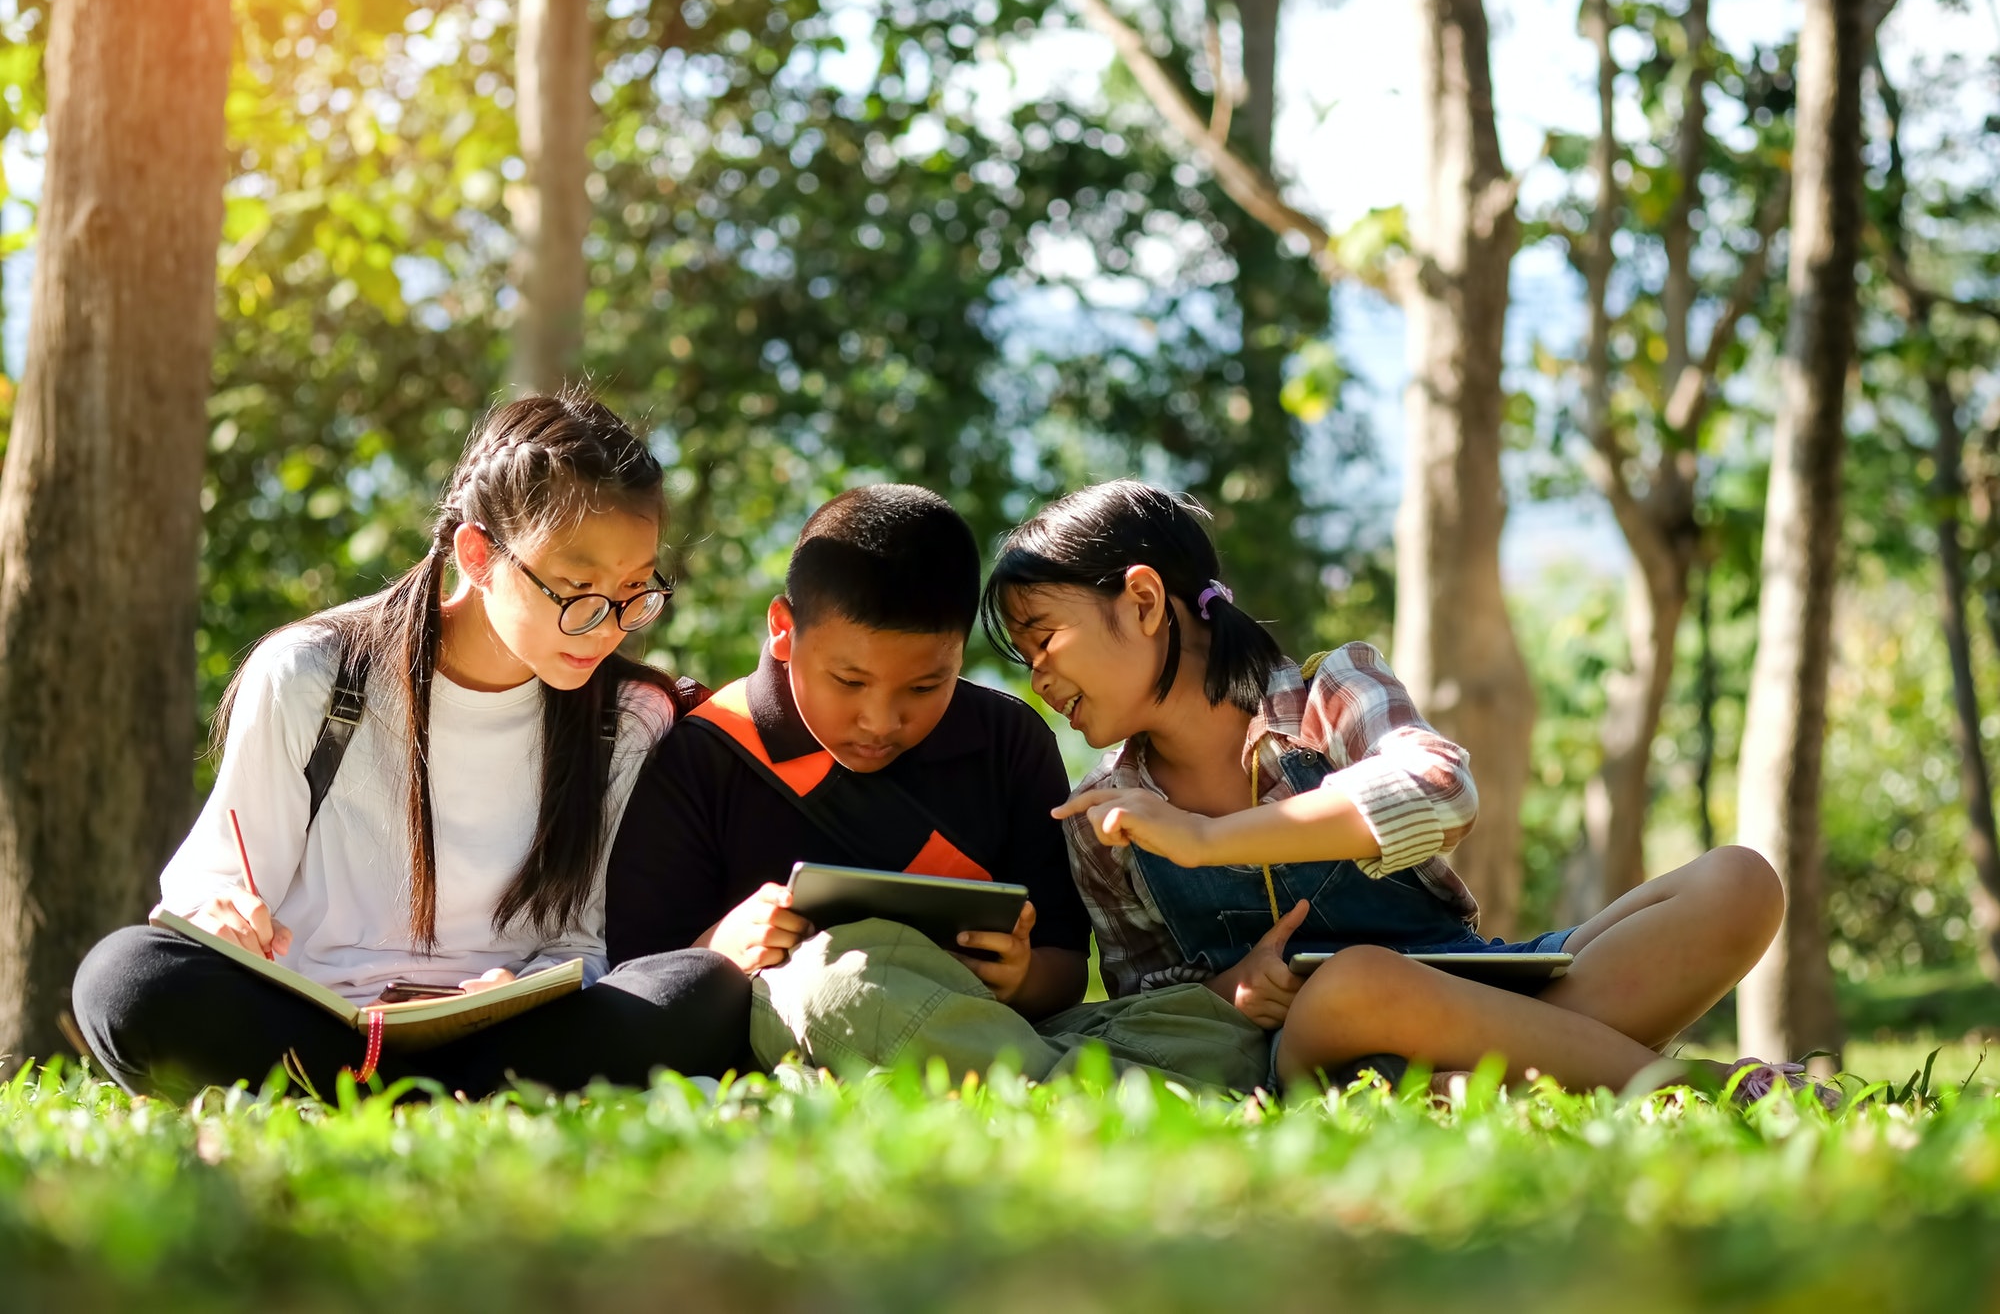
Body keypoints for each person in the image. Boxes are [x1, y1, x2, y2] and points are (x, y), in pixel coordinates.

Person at [983, 479, 1801, 1096]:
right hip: (1328, 1042)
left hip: (1482, 985)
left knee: (1740, 881)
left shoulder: (1331, 691)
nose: (1038, 673)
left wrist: (1206, 840)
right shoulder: (1104, 818)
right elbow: (1145, 1007)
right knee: (1354, 982)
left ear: (1145, 599)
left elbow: (1441, 790)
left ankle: (1478, 1080)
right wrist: (1231, 989)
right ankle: (1706, 1089)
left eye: (1045, 637)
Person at [72, 393, 748, 1101]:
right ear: (479, 554)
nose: (609, 627)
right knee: (125, 976)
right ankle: (446, 1093)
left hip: (514, 1028)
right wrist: (223, 912)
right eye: (578, 589)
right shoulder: (315, 674)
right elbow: (217, 881)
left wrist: (515, 990)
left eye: (635, 591)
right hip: (323, 1021)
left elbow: (588, 942)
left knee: (704, 986)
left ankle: (385, 1096)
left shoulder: (629, 715)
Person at [606, 484, 1271, 1090]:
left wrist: (1020, 975)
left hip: (989, 1035)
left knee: (1196, 1016)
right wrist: (722, 945)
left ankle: (1089, 1079)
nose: (881, 719)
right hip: (807, 1025)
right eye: (849, 681)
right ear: (784, 630)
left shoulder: (1008, 742)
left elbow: (1066, 970)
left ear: (959, 654)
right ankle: (1114, 1089)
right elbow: (639, 980)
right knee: (837, 983)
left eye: (925, 686)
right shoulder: (707, 751)